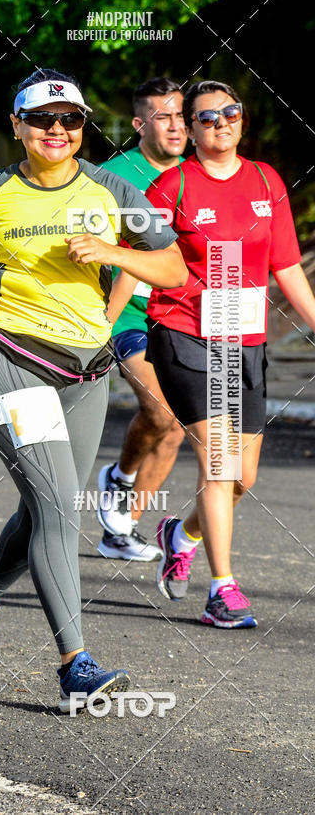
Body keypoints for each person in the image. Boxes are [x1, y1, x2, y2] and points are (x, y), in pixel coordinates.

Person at [0, 68, 187, 710]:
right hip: (7, 353)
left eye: (70, 120)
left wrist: (116, 255)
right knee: (59, 508)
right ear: (17, 126)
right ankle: (76, 665)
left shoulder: (113, 188)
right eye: (43, 120)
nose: (58, 131)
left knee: (47, 505)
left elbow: (173, 262)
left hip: (85, 370)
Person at [145, 80, 315, 627]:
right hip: (184, 332)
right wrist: (102, 324)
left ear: (242, 118)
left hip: (245, 340)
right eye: (207, 116)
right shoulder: (171, 187)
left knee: (243, 478)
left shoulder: (267, 180)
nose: (221, 121)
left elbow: (286, 266)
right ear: (189, 129)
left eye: (230, 112)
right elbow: (136, 260)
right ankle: (223, 589)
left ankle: (183, 532)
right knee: (218, 464)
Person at [96, 77, 187, 562]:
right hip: (126, 310)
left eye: (181, 116)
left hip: (180, 312)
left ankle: (123, 529)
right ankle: (120, 476)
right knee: (159, 411)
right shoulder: (113, 174)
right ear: (139, 124)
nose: (176, 126)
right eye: (164, 116)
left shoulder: (198, 174)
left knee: (176, 428)